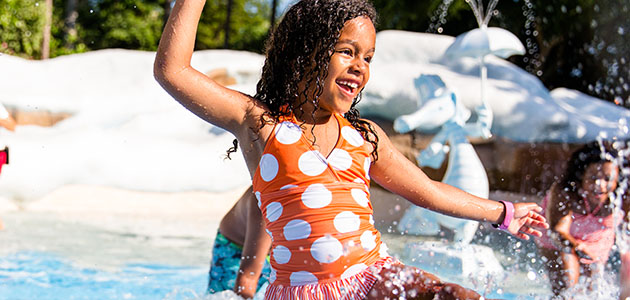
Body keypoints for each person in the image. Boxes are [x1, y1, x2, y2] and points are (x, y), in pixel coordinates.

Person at [154, 0, 548, 298]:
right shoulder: (261, 125)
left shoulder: (366, 137)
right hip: (302, 290)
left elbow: (427, 192)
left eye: (368, 57)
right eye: (347, 51)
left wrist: (503, 212)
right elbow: (173, 70)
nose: (361, 67)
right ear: (304, 52)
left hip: (374, 274)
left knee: (455, 296)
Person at [534, 141, 621, 297]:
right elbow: (558, 231)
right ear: (581, 174)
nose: (599, 185)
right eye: (593, 177)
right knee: (567, 285)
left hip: (596, 243)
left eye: (607, 178)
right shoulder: (566, 191)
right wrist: (577, 247)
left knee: (594, 291)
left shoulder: (622, 197)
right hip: (559, 241)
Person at [207, 186, 272, 298]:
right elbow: (247, 276)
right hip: (234, 251)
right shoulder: (264, 202)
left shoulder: (308, 199)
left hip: (276, 252)